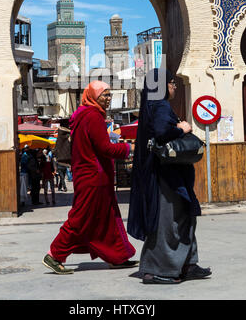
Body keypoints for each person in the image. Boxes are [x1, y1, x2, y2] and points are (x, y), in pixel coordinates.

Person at [43, 80, 138, 274]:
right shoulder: (93, 117)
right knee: (80, 217)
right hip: (93, 177)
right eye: (105, 95)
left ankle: (117, 256)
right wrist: (129, 148)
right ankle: (54, 254)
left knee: (108, 217)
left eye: (110, 94)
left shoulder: (85, 116)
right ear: (94, 97)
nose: (109, 98)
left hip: (93, 176)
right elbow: (104, 148)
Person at [127, 68, 211, 284]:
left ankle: (187, 264)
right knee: (168, 220)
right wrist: (182, 129)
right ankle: (156, 270)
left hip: (165, 172)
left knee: (184, 216)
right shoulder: (161, 106)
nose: (174, 85)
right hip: (166, 175)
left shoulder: (151, 106)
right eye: (171, 82)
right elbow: (163, 132)